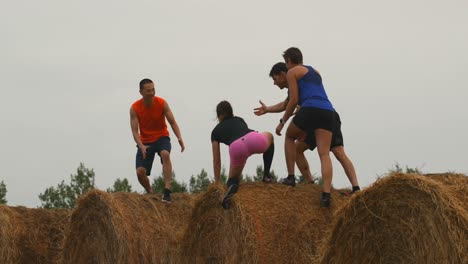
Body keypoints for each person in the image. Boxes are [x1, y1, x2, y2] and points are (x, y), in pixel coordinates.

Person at [255, 62, 360, 193]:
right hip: (321, 117)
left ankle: (355, 187)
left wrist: (282, 122)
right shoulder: (298, 82)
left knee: (336, 151)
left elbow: (293, 102)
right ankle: (312, 185)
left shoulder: (296, 78)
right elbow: (285, 104)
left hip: (321, 116)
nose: (274, 83)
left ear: (283, 75)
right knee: (299, 149)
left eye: (275, 79)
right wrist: (267, 109)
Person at [275, 47, 336, 207]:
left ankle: (291, 177)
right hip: (328, 110)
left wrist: (282, 122)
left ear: (288, 61)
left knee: (289, 137)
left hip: (310, 108)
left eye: (286, 62)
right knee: (324, 154)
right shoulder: (315, 71)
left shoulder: (292, 72)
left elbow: (294, 100)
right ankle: (326, 194)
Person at [130, 78, 185, 203]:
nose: (152, 92)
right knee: (140, 172)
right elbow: (134, 131)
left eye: (153, 89)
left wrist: (179, 137)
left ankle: (167, 190)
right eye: (148, 90)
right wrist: (141, 146)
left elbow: (172, 122)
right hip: (145, 141)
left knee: (165, 154)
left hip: (161, 137)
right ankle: (150, 190)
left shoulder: (162, 103)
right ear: (141, 92)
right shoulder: (135, 108)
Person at [211, 101, 275, 209]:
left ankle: (231, 189)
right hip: (253, 138)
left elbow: (217, 160)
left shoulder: (215, 132)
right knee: (270, 136)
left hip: (236, 147)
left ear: (219, 115)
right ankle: (266, 175)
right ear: (231, 112)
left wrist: (217, 182)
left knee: (233, 180)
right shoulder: (239, 119)